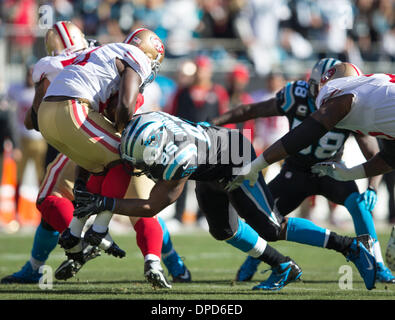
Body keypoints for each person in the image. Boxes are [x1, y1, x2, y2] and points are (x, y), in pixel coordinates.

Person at [73, 111, 377, 291]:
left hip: (235, 160)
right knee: (222, 230)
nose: (137, 166)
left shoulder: (179, 160)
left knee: (271, 226)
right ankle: (282, 265)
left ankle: (349, 246)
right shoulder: (149, 125)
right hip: (212, 160)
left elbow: (152, 206)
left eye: (140, 160)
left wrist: (104, 203)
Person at [1, 23, 190, 287]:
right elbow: (124, 106)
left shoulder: (93, 55)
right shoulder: (131, 60)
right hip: (88, 121)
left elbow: (33, 117)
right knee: (139, 196)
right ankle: (107, 237)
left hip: (71, 123)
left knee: (88, 189)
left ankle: (80, 238)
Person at [212, 58, 395, 283]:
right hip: (297, 170)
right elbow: (255, 110)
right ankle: (262, 258)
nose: (321, 92)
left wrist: (372, 188)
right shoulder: (304, 96)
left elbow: (375, 153)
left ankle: (376, 264)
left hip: (328, 168)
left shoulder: (350, 102)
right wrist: (216, 122)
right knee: (263, 218)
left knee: (359, 206)